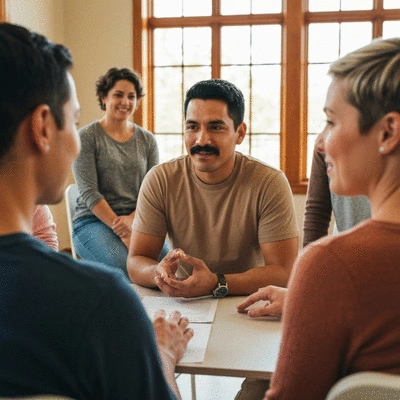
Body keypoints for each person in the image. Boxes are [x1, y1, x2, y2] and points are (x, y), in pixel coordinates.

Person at [0, 22, 192, 399]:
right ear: (42, 127)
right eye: (72, 119)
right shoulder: (100, 302)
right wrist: (163, 355)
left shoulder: (146, 140)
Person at [240, 37, 400, 400]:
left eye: (331, 121)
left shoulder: (333, 266)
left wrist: (166, 363)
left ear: (387, 132)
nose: (322, 141)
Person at [128, 78, 299, 399]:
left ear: (240, 132)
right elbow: (137, 260)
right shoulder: (160, 179)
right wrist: (158, 273)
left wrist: (217, 282)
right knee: (132, 371)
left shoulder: (269, 183)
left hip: (247, 303)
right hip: (184, 306)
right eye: (192, 127)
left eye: (216, 127)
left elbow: (284, 272)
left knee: (270, 379)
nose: (201, 139)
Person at [72, 67, 168, 274]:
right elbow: (89, 192)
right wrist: (122, 229)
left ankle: (164, 308)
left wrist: (132, 221)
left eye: (131, 96)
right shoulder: (86, 138)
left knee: (174, 266)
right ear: (104, 97)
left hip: (139, 220)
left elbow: (152, 189)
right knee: (127, 267)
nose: (125, 102)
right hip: (92, 222)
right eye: (118, 95)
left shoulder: (147, 140)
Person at [303, 133, 371, 247]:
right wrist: (308, 259)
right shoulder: (326, 146)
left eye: (332, 122)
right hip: (346, 255)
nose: (319, 143)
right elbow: (317, 211)